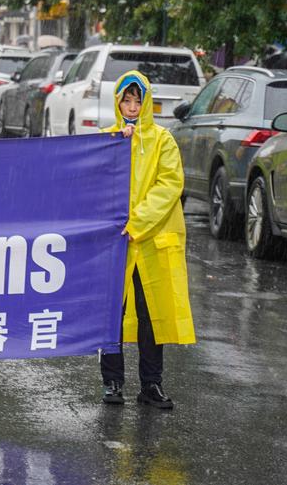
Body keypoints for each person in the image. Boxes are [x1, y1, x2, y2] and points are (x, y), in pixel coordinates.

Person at [99, 71, 195, 409]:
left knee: (150, 313)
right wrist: (118, 144)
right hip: (115, 243)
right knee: (111, 314)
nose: (131, 107)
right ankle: (112, 382)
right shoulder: (107, 139)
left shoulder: (162, 140)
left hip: (152, 241)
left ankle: (151, 384)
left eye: (137, 101)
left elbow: (169, 185)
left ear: (147, 102)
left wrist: (137, 223)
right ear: (117, 102)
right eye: (126, 100)